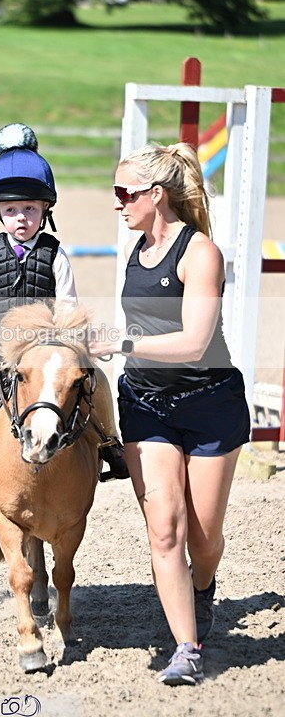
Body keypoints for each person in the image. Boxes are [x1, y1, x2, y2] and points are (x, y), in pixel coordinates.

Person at [89, 142, 251, 686]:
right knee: (165, 531)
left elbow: (195, 342)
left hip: (210, 404)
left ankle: (203, 588)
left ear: (155, 195)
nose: (116, 203)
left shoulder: (200, 252)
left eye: (123, 193)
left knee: (202, 541)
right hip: (147, 406)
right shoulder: (135, 248)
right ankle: (187, 649)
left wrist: (123, 344)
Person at [0, 123, 128, 501]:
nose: (21, 217)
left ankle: (109, 444)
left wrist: (69, 347)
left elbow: (68, 304)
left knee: (99, 382)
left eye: (29, 209)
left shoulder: (56, 254)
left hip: (48, 347)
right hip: (1, 346)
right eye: (11, 210)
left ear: (45, 210)